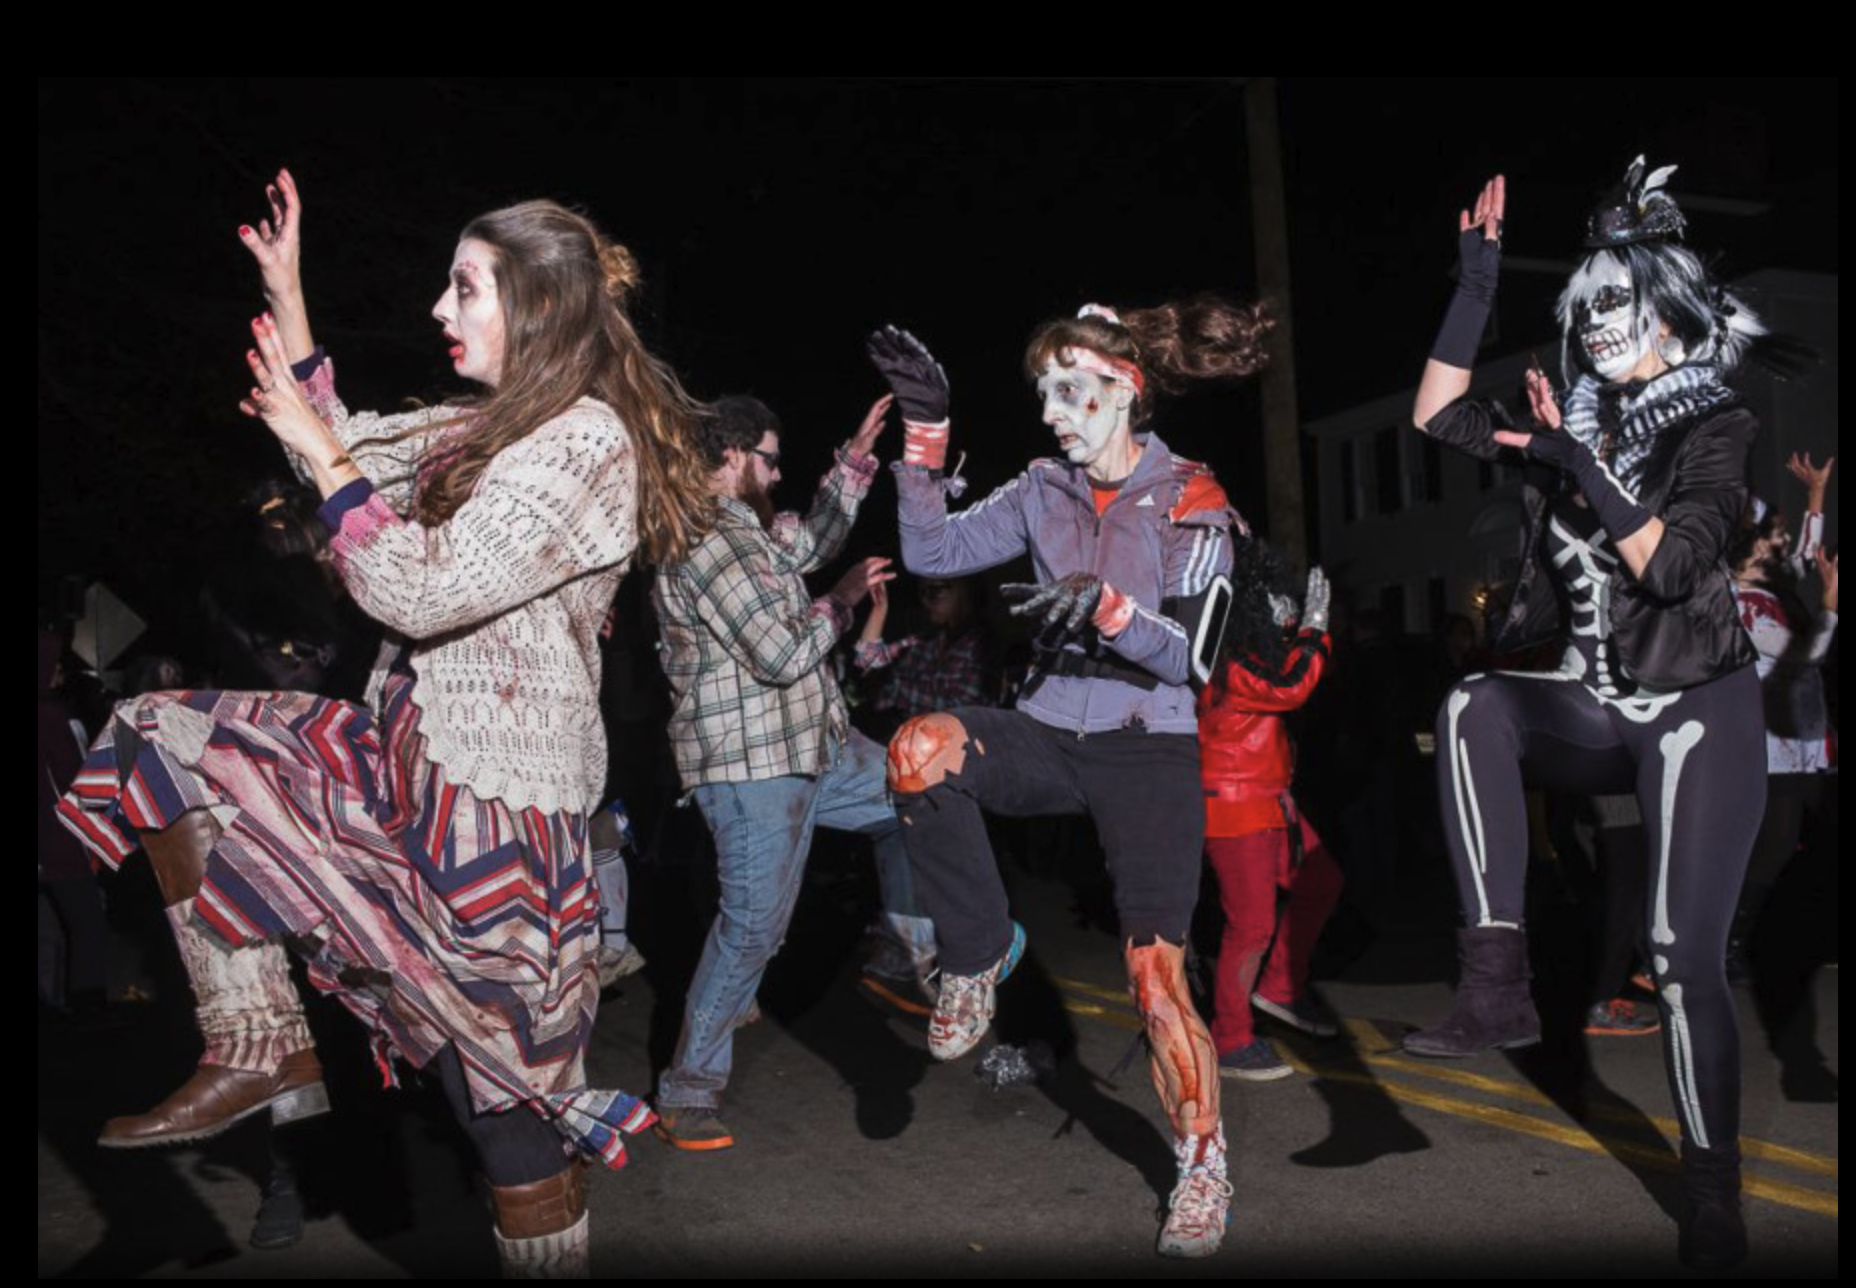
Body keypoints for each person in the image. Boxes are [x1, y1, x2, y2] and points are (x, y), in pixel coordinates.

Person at [58, 169, 713, 1275]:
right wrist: (289, 287)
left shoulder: (587, 441)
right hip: (400, 757)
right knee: (158, 734)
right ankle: (256, 1039)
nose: (438, 311)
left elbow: (416, 584)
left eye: (465, 289)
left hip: (497, 816)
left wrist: (324, 455)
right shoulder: (484, 425)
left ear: (539, 309)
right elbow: (339, 444)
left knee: (506, 1111)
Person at [1406, 160, 1776, 1269]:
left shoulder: (1713, 426)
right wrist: (1474, 283)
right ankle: (1495, 983)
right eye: (1584, 308)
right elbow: (1432, 414)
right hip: (1590, 699)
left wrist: (1579, 463)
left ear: (1666, 307)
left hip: (1695, 708)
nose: (1594, 326)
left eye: (1613, 304)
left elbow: (1669, 569)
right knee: (1473, 700)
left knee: (1678, 958)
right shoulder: (1571, 417)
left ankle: (1710, 1190)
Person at [868, 298, 1269, 1258]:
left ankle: (1203, 1163)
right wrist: (926, 436)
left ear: (1124, 390)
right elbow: (931, 551)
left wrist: (1108, 608)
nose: (1051, 412)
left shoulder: (1193, 498)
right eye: (1043, 393)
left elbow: (1190, 660)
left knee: (1156, 981)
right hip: (1046, 729)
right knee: (919, 749)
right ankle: (975, 956)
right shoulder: (1041, 485)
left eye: (1069, 391)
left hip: (1147, 745)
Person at [649, 392, 937, 1150]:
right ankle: (686, 1093)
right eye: (771, 459)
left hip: (813, 749)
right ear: (734, 456)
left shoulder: (745, 532)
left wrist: (854, 460)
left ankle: (902, 953)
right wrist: (841, 602)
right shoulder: (706, 540)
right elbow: (781, 653)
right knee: (750, 934)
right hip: (753, 771)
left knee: (919, 788)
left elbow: (808, 544)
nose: (778, 475)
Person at [1197, 546, 1344, 1081]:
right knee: (1251, 925)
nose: (1284, 612)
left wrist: (1303, 632)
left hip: (1268, 801)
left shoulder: (1241, 654)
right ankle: (1231, 1037)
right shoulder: (1229, 663)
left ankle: (1279, 987)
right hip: (1237, 810)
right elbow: (1290, 687)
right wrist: (1313, 631)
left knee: (1321, 881)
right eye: (1273, 604)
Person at [1728, 453, 1837, 975]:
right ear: (1749, 544)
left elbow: (1808, 556)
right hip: (1773, 746)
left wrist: (1815, 495)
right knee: (1774, 847)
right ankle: (1730, 943)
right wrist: (1832, 608)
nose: (1783, 541)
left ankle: (1761, 937)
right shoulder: (1741, 603)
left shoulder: (1772, 586)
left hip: (1804, 737)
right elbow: (1804, 653)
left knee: (1794, 841)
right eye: (1775, 534)